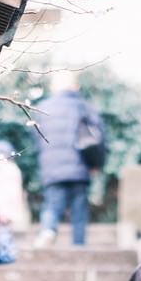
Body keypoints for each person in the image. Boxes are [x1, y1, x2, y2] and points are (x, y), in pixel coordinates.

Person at [31, 71, 101, 247]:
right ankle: (78, 245)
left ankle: (48, 230)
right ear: (75, 86)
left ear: (54, 87)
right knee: (79, 210)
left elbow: (36, 138)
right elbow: (99, 137)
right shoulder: (84, 107)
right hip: (81, 167)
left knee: (52, 205)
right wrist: (95, 164)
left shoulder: (43, 108)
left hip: (52, 168)